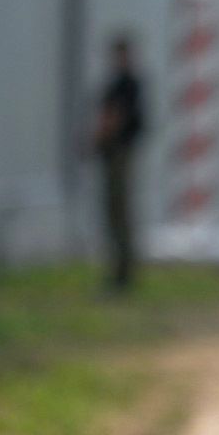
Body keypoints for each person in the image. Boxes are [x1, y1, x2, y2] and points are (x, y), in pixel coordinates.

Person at [93, 34, 146, 291]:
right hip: (116, 154)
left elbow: (114, 118)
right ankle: (121, 271)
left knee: (118, 213)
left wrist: (99, 138)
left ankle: (123, 274)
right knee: (115, 213)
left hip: (119, 154)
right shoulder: (124, 84)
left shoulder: (127, 85)